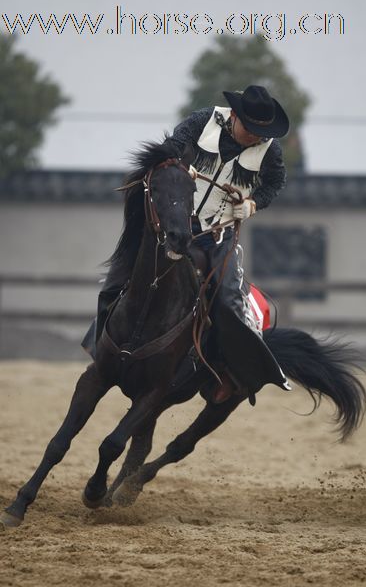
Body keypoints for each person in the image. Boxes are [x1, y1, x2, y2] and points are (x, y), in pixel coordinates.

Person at [82, 85, 291, 403]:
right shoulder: (201, 121)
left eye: (262, 132)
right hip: (176, 227)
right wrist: (179, 167)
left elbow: (275, 182)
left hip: (218, 237)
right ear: (234, 116)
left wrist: (252, 203)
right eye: (252, 130)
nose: (257, 137)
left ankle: (230, 374)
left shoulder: (270, 150)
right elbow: (167, 153)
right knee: (115, 281)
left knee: (228, 303)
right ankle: (102, 349)